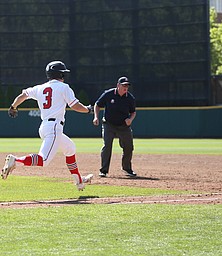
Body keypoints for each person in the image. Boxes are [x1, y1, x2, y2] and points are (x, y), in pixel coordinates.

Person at [1, 60, 93, 191]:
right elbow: (75, 105)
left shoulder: (40, 87)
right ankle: (16, 160)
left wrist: (13, 106)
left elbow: (23, 95)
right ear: (61, 75)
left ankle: (79, 181)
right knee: (43, 160)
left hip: (45, 127)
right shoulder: (64, 87)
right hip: (54, 127)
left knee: (70, 148)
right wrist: (88, 109)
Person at [93, 76, 137, 178]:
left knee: (129, 147)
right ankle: (103, 170)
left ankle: (127, 168)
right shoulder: (108, 94)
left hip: (123, 126)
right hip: (109, 124)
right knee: (107, 145)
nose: (126, 87)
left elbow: (133, 112)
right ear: (118, 85)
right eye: (124, 85)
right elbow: (97, 104)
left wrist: (130, 119)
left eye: (127, 86)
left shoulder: (130, 98)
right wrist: (96, 117)